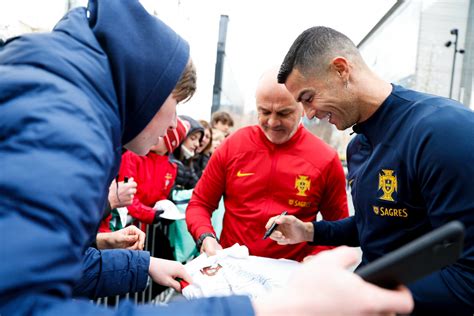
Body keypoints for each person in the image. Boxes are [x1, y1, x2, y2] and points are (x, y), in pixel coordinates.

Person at [0, 1, 416, 312]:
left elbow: (52, 270)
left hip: (288, 284)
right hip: (234, 283)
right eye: (264, 112)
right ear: (153, 89)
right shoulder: (71, 125)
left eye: (287, 111)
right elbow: (30, 302)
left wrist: (141, 265)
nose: (176, 129)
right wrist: (212, 245)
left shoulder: (324, 158)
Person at [275, 26, 474, 314]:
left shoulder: (444, 132)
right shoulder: (357, 146)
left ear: (341, 70)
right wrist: (308, 231)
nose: (308, 115)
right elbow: (377, 224)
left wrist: (361, 293)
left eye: (308, 98)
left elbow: (467, 277)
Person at [186, 68, 349, 262]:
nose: (272, 122)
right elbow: (199, 204)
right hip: (233, 271)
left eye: (283, 113)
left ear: (302, 107)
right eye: (264, 111)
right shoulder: (233, 146)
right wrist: (206, 237)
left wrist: (317, 256)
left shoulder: (326, 159)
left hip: (291, 278)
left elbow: (340, 228)